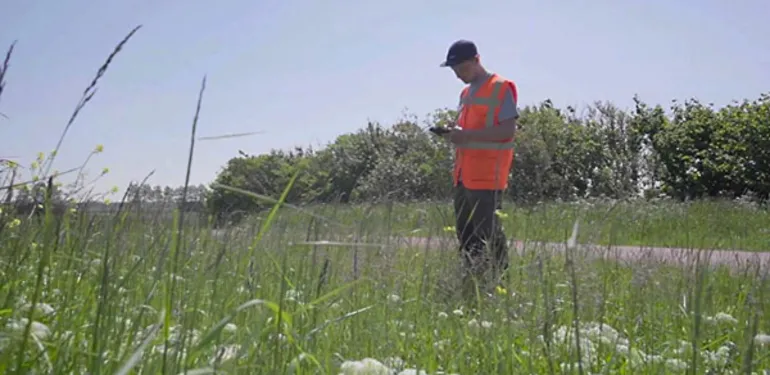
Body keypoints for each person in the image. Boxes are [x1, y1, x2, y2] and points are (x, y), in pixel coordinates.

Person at [439, 39, 519, 281]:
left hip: (487, 177)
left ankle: (501, 285)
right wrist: (453, 132)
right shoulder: (465, 93)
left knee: (490, 235)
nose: (458, 75)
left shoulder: (501, 87)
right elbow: (468, 130)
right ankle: (472, 282)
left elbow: (507, 131)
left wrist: (467, 136)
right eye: (454, 70)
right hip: (463, 176)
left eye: (461, 69)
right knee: (466, 236)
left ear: (477, 60)